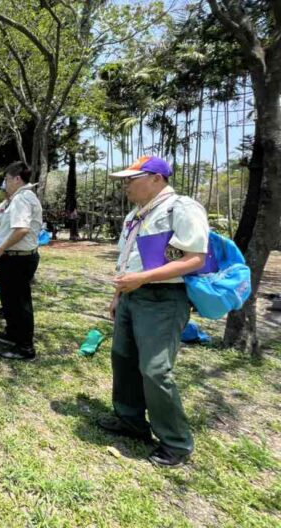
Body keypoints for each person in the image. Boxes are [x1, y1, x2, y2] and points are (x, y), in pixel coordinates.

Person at [99, 156, 209, 468]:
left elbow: (195, 258)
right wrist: (117, 295)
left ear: (156, 178)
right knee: (123, 357)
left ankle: (175, 442)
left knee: (155, 369)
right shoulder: (135, 215)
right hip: (131, 295)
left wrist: (142, 279)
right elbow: (128, 259)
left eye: (131, 179)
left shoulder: (182, 208)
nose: (126, 185)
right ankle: (130, 419)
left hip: (163, 298)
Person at [0, 162, 43, 360]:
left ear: (17, 179)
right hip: (13, 257)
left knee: (20, 302)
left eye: (6, 179)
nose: (5, 183)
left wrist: (1, 248)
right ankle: (13, 333)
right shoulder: (19, 199)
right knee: (10, 299)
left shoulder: (22, 198)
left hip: (18, 259)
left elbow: (22, 230)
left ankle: (25, 347)